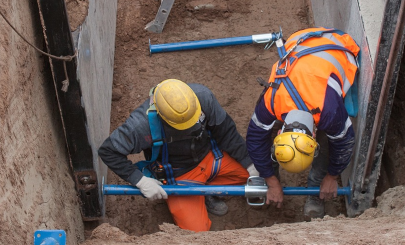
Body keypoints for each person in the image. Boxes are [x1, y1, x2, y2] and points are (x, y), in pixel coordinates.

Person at [99, 79, 257, 232]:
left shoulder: (203, 97)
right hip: (179, 176)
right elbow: (108, 151)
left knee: (259, 172)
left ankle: (207, 191)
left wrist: (250, 165)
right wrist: (140, 180)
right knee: (196, 234)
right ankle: (201, 193)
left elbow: (226, 132)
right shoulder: (141, 126)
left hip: (212, 158)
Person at [246, 27, 360, 220]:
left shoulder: (329, 111)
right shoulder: (273, 100)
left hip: (337, 45)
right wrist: (271, 181)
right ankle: (271, 183)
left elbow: (344, 143)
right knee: (264, 133)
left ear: (314, 135)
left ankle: (315, 192)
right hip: (300, 39)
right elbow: (255, 138)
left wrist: (331, 177)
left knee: (329, 142)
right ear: (281, 129)